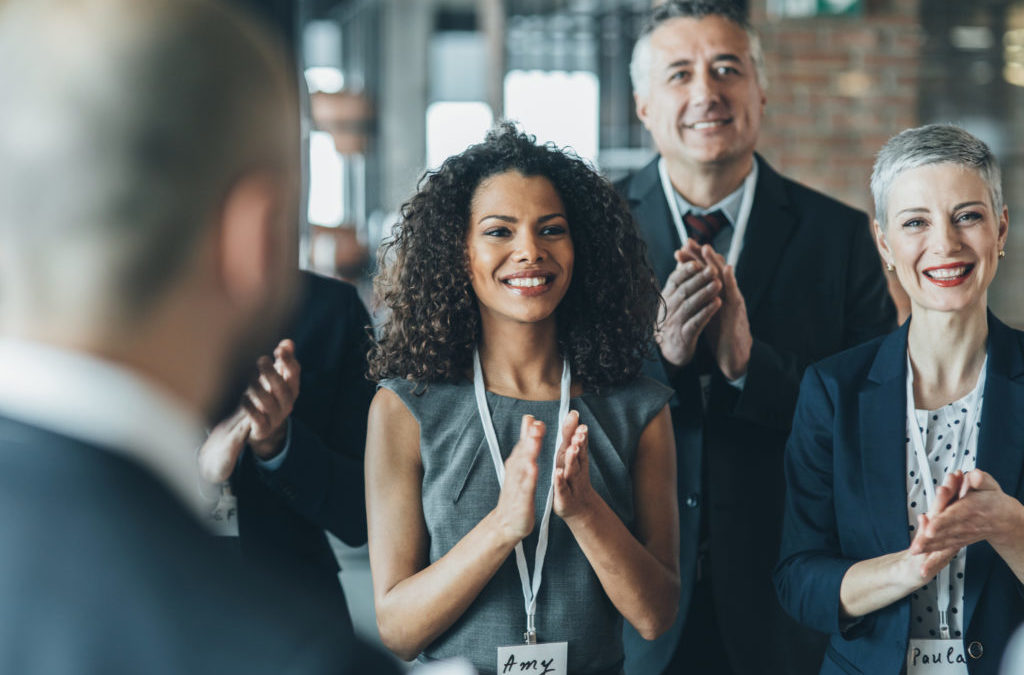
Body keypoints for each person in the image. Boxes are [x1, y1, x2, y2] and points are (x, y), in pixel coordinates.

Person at [0, 0, 397, 672]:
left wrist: (279, 445)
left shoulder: (329, 319)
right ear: (258, 232)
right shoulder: (306, 660)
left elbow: (365, 511)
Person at [618, 2, 896, 674]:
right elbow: (555, 399)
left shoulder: (841, 238)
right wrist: (661, 360)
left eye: (726, 69)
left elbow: (874, 424)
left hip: (786, 608)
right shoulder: (590, 234)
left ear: (761, 90)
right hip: (630, 605)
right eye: (679, 74)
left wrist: (749, 365)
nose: (706, 93)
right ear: (644, 105)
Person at [365, 122, 680, 675]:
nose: (529, 251)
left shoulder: (640, 408)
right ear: (457, 251)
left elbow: (656, 616)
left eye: (551, 229)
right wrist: (502, 527)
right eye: (499, 231)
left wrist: (585, 511)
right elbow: (398, 630)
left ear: (581, 247)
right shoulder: (405, 409)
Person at [775, 124, 1024, 674]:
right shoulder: (832, 389)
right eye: (916, 222)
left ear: (1000, 228)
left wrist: (1009, 526)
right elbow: (797, 578)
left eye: (968, 216)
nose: (945, 244)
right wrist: (906, 569)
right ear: (885, 243)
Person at [197, 270, 375, 635]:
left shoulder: (330, 310)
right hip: (160, 602)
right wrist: (198, 472)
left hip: (299, 612)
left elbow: (361, 515)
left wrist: (278, 443)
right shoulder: (125, 301)